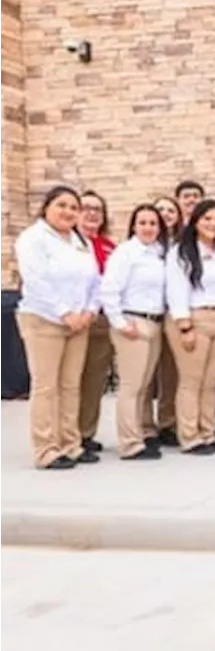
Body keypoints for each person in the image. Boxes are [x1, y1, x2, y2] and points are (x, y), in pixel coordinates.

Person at [14, 186, 100, 470]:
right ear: (46, 207)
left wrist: (89, 310)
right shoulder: (33, 239)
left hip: (79, 323)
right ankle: (46, 449)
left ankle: (70, 444)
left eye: (74, 208)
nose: (68, 212)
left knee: (70, 386)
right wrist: (64, 313)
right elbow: (37, 280)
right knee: (46, 386)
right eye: (61, 205)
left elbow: (94, 280)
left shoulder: (80, 241)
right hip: (44, 319)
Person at [99, 204, 168, 461]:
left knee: (143, 386)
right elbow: (109, 289)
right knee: (131, 386)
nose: (148, 228)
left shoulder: (158, 254)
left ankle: (138, 433)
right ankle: (129, 443)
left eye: (153, 223)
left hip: (155, 323)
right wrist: (119, 322)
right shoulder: (125, 253)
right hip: (132, 321)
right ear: (133, 226)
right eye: (143, 223)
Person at [164, 199, 215, 455]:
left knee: (211, 382)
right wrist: (184, 325)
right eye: (207, 219)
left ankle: (208, 431)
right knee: (191, 381)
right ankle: (190, 436)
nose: (212, 224)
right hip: (193, 318)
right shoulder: (181, 251)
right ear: (195, 221)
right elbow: (175, 288)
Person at [75, 190, 116, 454]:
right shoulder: (66, 243)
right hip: (73, 319)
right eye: (86, 207)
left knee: (93, 380)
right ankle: (66, 434)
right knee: (69, 380)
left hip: (101, 320)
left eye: (97, 209)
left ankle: (85, 433)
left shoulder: (110, 247)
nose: (91, 213)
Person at [143, 195, 184, 448]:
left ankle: (168, 422)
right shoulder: (142, 246)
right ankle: (145, 427)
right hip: (147, 315)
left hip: (173, 315)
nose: (166, 214)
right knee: (145, 376)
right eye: (161, 210)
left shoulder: (181, 246)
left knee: (172, 373)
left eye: (171, 210)